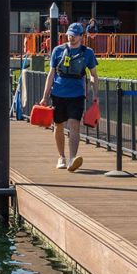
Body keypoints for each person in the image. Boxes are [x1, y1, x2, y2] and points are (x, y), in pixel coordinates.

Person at [39, 22, 100, 172]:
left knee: (74, 124)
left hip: (77, 94)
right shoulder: (58, 51)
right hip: (58, 93)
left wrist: (95, 95)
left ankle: (72, 158)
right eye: (69, 35)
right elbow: (51, 73)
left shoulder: (88, 52)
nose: (71, 38)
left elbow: (93, 75)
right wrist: (45, 96)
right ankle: (62, 157)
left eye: (74, 35)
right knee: (58, 125)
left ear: (81, 36)